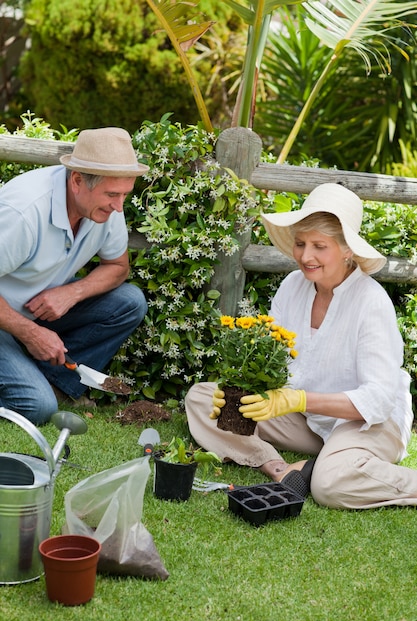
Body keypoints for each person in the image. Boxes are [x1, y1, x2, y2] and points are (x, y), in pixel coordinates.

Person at [185, 182, 417, 509]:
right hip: (306, 419)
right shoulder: (292, 286)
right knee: (202, 399)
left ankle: (326, 469)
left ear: (347, 249)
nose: (306, 257)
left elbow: (378, 401)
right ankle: (280, 468)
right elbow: (275, 363)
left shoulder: (371, 303)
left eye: (319, 246)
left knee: (329, 485)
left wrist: (299, 399)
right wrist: (240, 392)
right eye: (300, 243)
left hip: (371, 424)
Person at [0, 127, 149, 425]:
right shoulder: (22, 211)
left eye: (124, 195)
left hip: (32, 311)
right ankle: (33, 389)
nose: (119, 206)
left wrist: (72, 293)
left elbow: (118, 266)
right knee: (38, 408)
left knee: (131, 301)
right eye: (111, 194)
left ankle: (50, 384)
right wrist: (30, 334)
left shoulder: (107, 208)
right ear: (78, 180)